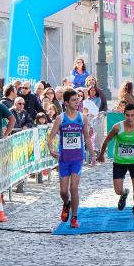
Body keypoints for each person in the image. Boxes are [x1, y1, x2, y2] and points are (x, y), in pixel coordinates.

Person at [48, 89, 94, 228]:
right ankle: (66, 203)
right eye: (74, 100)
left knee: (74, 188)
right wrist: (51, 150)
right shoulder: (60, 119)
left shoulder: (82, 118)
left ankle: (74, 217)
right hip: (64, 159)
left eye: (78, 99)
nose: (77, 102)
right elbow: (51, 137)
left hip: (77, 158)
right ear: (66, 103)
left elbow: (86, 137)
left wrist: (92, 154)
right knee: (63, 191)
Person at [97, 104, 134, 219]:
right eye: (127, 115)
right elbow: (106, 140)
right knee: (118, 191)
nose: (130, 118)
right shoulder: (117, 127)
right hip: (119, 162)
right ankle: (124, 193)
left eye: (132, 115)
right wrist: (101, 154)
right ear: (124, 115)